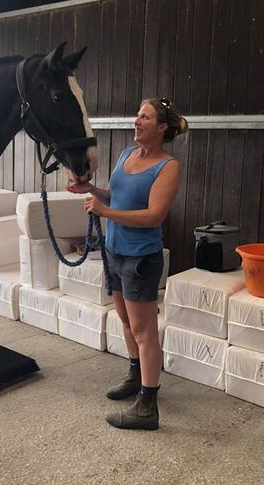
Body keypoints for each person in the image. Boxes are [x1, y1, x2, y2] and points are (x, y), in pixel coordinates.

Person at [67, 97, 188, 430]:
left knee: (144, 330)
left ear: (161, 128)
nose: (137, 121)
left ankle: (148, 406)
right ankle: (136, 378)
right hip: (114, 251)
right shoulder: (126, 155)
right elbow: (114, 195)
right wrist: (91, 189)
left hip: (140, 258)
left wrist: (105, 212)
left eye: (145, 117)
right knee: (124, 320)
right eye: (137, 115)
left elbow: (153, 216)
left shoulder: (168, 167)